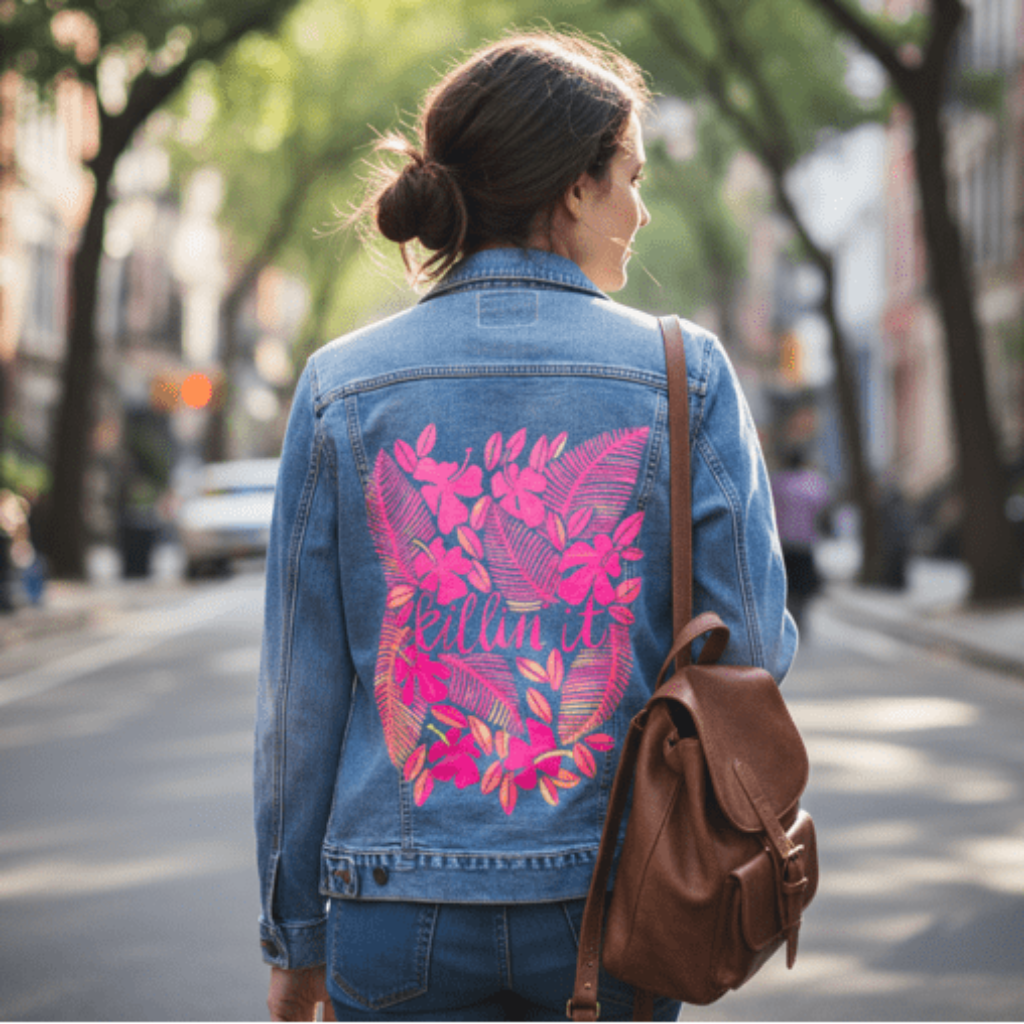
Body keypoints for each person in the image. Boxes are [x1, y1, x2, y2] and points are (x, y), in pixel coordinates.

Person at [255, 31, 797, 1024]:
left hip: (393, 896)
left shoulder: (341, 386)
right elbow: (752, 648)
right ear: (575, 188)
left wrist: (296, 938)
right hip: (613, 897)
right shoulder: (687, 373)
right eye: (630, 176)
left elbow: (302, 699)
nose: (641, 208)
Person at [770, 450, 831, 633]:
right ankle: (800, 619)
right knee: (804, 586)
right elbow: (824, 509)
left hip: (783, 543)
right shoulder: (813, 484)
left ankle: (787, 619)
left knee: (786, 585)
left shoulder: (777, 483)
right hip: (805, 542)